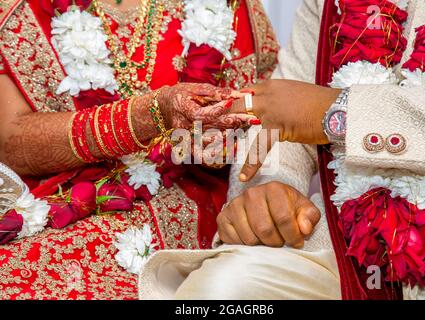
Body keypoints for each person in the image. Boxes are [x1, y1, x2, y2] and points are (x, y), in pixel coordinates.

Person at [139, 0, 425, 300]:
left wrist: (339, 113)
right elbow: (281, 110)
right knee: (222, 287)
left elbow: (313, 109)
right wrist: (274, 189)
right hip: (344, 244)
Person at [0, 0, 278, 299]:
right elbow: (11, 144)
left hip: (204, 212)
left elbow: (270, 120)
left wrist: (224, 144)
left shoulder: (231, 6)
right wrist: (149, 116)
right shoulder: (18, 8)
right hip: (69, 207)